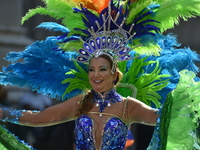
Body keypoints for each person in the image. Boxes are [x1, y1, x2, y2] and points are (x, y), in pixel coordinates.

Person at [0, 0, 200, 150]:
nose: (96, 75)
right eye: (91, 69)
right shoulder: (80, 103)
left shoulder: (128, 106)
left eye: (102, 69)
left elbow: (162, 118)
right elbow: (39, 118)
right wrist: (5, 113)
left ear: (115, 75)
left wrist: (185, 101)